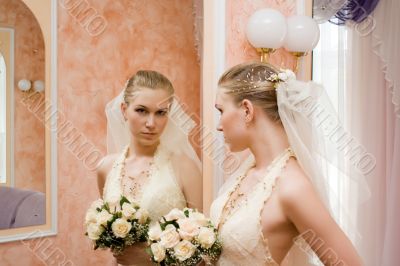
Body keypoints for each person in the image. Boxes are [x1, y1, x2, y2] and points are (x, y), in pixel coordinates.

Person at [210, 62, 364, 265]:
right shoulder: (247, 171)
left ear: (247, 110)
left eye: (221, 111)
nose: (218, 126)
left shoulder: (292, 186)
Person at [97, 70, 202, 265]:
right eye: (142, 110)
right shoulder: (106, 168)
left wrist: (148, 259)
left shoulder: (184, 168)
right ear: (123, 110)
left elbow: (202, 253)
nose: (151, 123)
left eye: (161, 113)